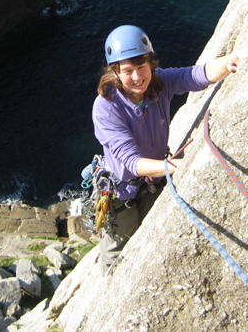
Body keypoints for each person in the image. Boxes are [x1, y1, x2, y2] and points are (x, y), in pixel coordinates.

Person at [92, 24, 240, 274]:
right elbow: (131, 161)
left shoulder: (159, 83)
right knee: (117, 254)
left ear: (150, 63)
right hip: (122, 193)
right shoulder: (106, 107)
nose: (137, 77)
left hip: (155, 182)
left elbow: (195, 76)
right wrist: (176, 166)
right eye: (128, 71)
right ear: (115, 72)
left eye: (142, 67)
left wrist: (230, 63)